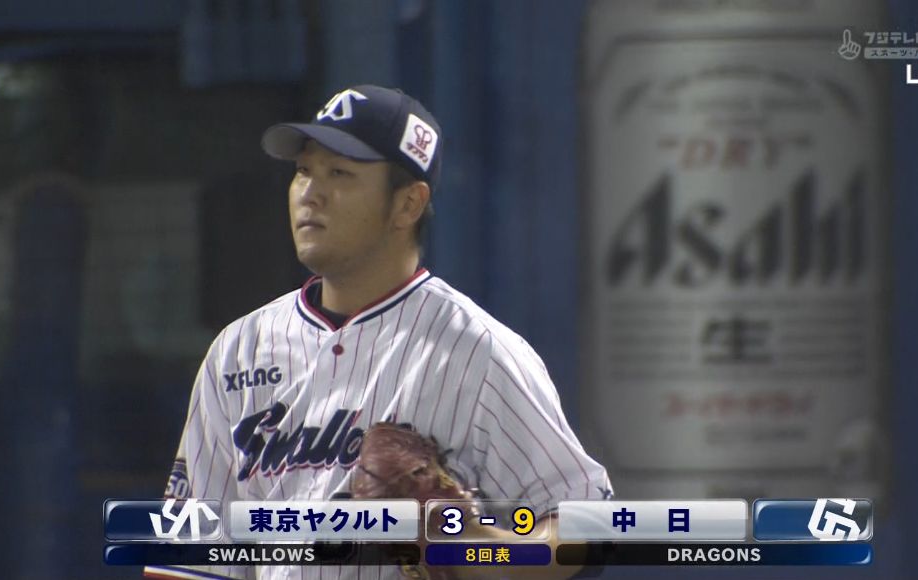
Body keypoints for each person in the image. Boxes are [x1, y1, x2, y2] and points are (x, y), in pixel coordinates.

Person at [144, 84, 612, 580]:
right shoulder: (238, 350)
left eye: (339, 173)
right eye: (304, 170)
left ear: (408, 204)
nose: (310, 193)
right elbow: (191, 558)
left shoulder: (478, 353)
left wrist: (471, 545)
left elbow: (587, 527)